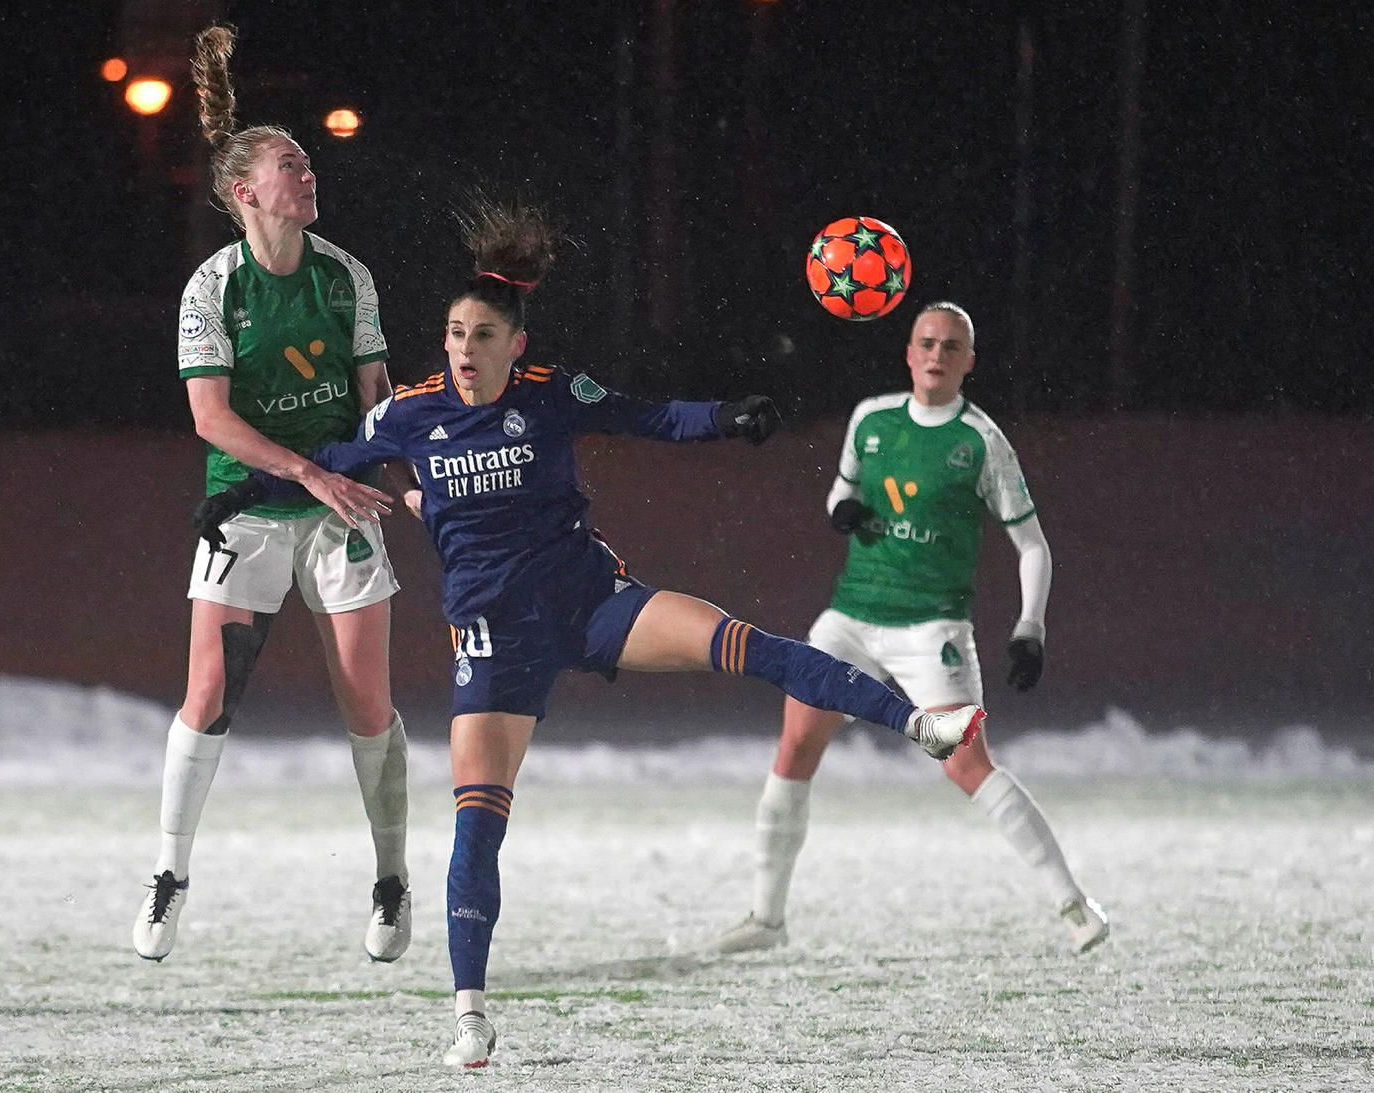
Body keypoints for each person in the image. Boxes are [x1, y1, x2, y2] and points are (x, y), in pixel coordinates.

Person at [193, 196, 986, 1068]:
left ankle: (919, 723)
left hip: (593, 604)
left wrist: (728, 417)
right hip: (495, 643)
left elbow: (650, 416)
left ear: (515, 344)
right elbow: (326, 465)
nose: (463, 350)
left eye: (482, 335)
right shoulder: (409, 416)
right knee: (478, 826)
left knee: (747, 642)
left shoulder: (553, 393)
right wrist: (238, 493)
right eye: (455, 334)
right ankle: (469, 1014)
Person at [131, 24, 414, 967]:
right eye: (293, 164)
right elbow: (211, 418)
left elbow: (376, 398)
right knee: (207, 693)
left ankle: (388, 875)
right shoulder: (213, 288)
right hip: (246, 509)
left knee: (366, 704)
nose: (310, 174)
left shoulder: (346, 277)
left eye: (308, 163)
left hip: (341, 513)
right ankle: (169, 875)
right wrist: (306, 471)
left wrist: (411, 470)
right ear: (248, 192)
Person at [710, 301, 1109, 958]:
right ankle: (767, 918)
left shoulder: (981, 439)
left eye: (952, 346)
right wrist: (844, 511)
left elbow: (1033, 544)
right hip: (849, 619)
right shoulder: (872, 418)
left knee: (967, 764)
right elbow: (840, 491)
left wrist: (1029, 627)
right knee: (795, 748)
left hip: (932, 628)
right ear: (908, 351)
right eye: (927, 342)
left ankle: (1074, 904)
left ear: (969, 362)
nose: (936, 355)